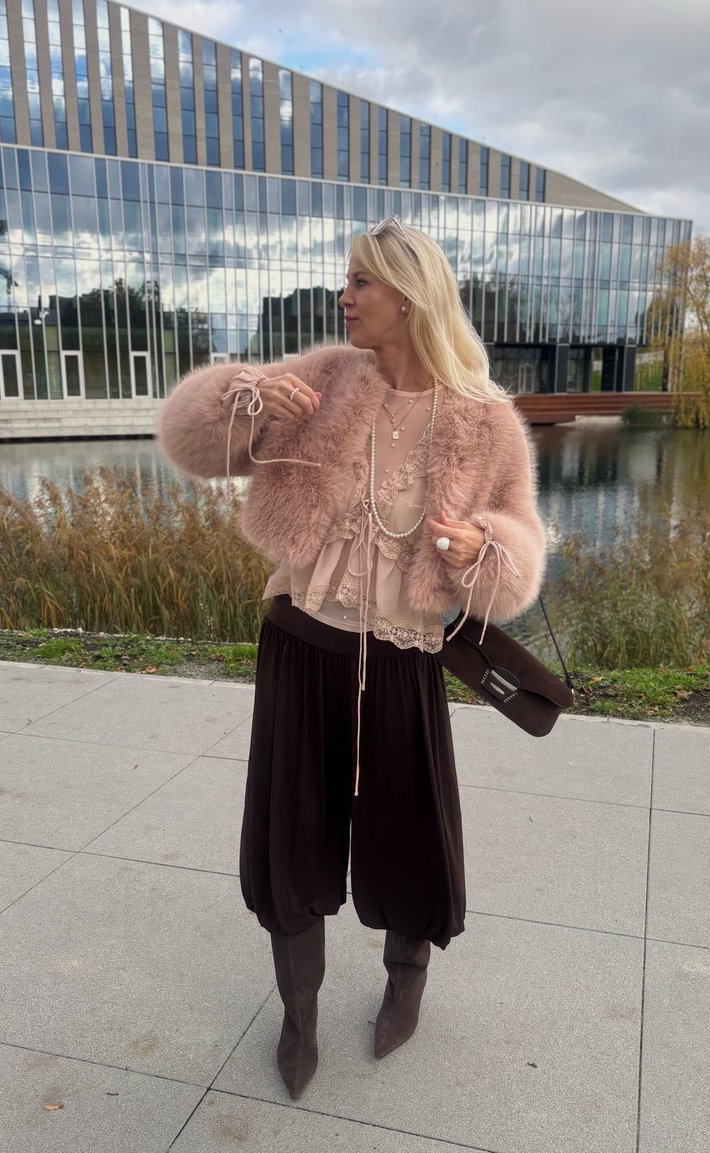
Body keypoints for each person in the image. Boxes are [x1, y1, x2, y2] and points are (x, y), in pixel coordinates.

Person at [159, 216, 547, 1099]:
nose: (345, 296)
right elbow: (189, 443)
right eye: (348, 280)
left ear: (409, 296)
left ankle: (405, 980)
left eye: (361, 282)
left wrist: (481, 544)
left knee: (410, 830)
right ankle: (299, 1014)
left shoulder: (485, 420)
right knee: (291, 838)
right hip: (302, 646)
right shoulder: (326, 378)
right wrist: (244, 397)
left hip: (406, 659)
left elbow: (521, 553)